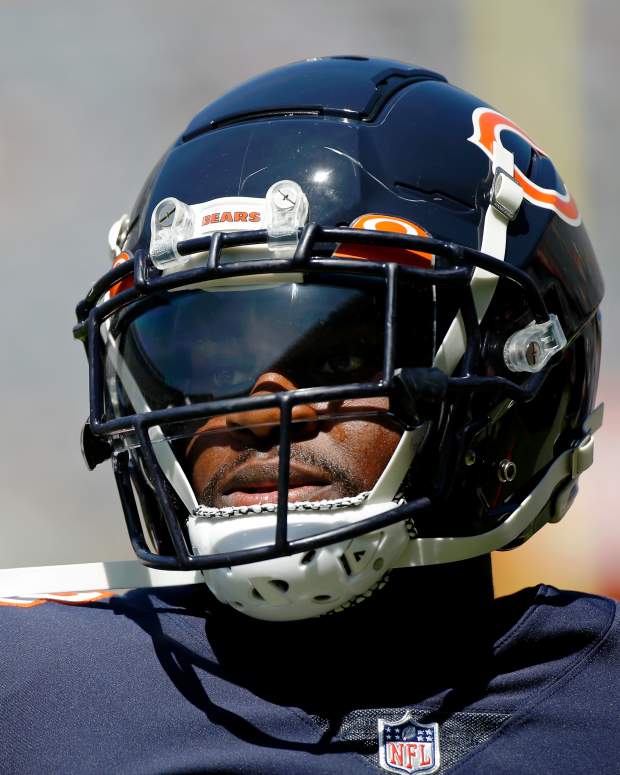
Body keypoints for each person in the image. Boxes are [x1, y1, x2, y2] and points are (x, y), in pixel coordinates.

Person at [1, 56, 618, 774]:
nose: (263, 406)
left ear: (510, 368)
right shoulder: (34, 692)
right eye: (207, 359)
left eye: (340, 353)